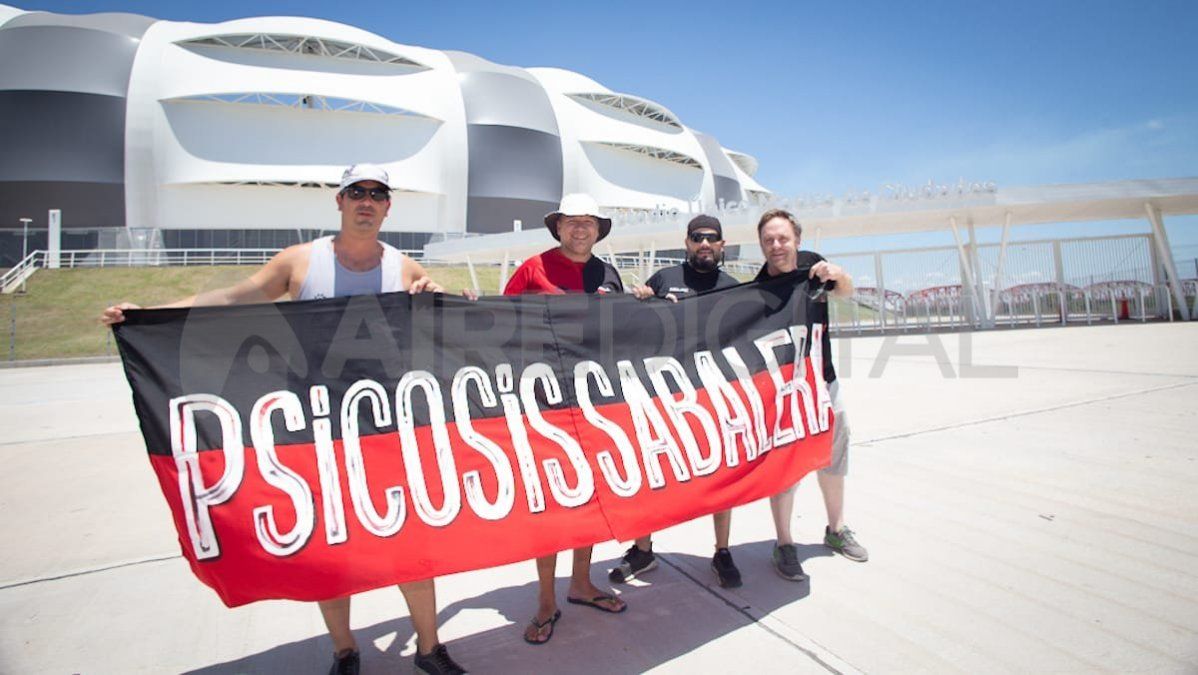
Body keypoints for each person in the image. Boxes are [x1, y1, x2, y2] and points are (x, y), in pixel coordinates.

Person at [101, 164, 467, 675]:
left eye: (376, 194)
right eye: (356, 192)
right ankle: (345, 651)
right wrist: (149, 314)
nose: (366, 201)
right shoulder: (300, 261)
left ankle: (429, 648)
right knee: (330, 544)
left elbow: (448, 323)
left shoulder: (402, 268)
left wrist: (441, 297)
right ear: (339, 201)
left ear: (388, 207)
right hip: (313, 427)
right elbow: (231, 298)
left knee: (410, 544)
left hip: (381, 427)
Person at [503, 193, 628, 644]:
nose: (580, 229)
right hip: (544, 405)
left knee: (590, 497)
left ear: (598, 230)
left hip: (593, 403)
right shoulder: (532, 269)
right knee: (552, 503)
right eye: (571, 221)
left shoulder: (607, 274)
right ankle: (545, 599)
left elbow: (624, 330)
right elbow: (497, 325)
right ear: (558, 227)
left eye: (588, 222)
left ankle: (581, 583)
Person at [615, 214, 744, 588]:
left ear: (722, 245)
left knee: (722, 474)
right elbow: (637, 326)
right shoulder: (664, 278)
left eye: (712, 238)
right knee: (652, 471)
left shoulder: (734, 289)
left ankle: (722, 551)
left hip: (713, 392)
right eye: (697, 237)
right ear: (687, 242)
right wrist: (643, 301)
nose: (704, 244)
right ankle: (643, 550)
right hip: (664, 392)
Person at [755, 208, 869, 583]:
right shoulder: (758, 289)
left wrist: (839, 274)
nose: (776, 245)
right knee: (785, 467)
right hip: (785, 392)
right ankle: (784, 543)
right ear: (761, 245)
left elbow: (847, 292)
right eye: (769, 240)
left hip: (824, 383)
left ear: (797, 240)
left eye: (783, 238)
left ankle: (836, 528)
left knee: (834, 456)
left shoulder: (813, 267)